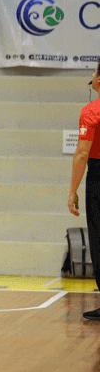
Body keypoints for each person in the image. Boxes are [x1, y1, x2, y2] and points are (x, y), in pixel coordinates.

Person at [68, 62, 100, 320]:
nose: (91, 76)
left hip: (98, 176)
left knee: (99, 238)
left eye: (94, 72)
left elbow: (82, 153)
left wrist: (72, 190)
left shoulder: (91, 111)